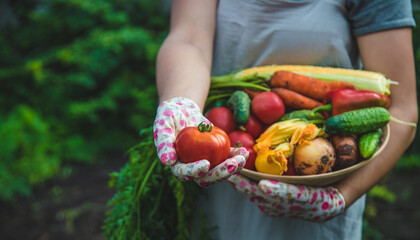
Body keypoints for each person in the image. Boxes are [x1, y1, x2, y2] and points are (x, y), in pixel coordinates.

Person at [153, 0, 418, 239]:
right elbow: (188, 38)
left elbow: (402, 109)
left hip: (326, 181)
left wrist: (341, 196)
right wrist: (182, 103)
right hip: (220, 171)